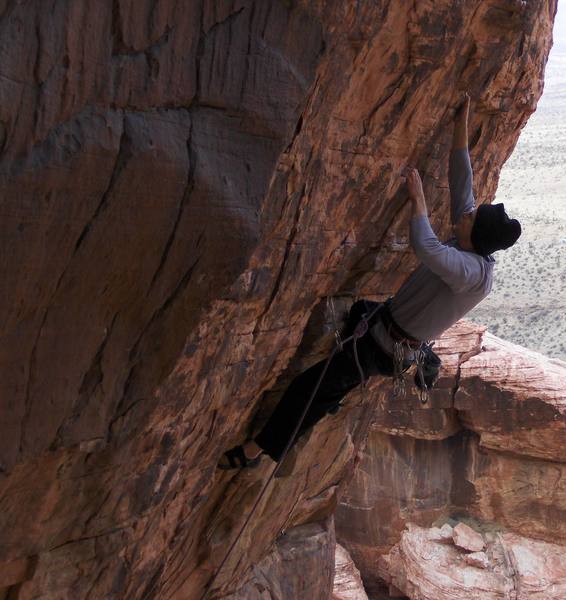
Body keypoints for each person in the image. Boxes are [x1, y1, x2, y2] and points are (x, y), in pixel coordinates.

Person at [218, 93, 522, 471]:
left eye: (473, 215)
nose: (468, 211)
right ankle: (333, 395)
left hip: (382, 349)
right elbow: (463, 180)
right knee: (341, 352)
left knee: (309, 390)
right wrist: (462, 119)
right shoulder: (470, 239)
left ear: (475, 234)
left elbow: (425, 247)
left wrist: (419, 202)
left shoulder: (473, 275)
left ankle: (255, 452)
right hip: (384, 324)